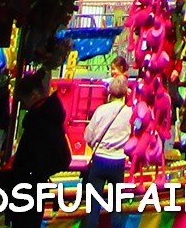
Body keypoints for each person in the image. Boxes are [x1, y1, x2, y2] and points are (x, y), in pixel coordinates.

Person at [7, 72, 71, 228]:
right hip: (35, 188)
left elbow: (30, 160)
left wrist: (20, 173)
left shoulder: (39, 122)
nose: (23, 105)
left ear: (34, 96)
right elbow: (63, 159)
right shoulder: (51, 118)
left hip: (27, 188)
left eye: (23, 100)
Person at [83, 63, 133, 226]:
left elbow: (88, 135)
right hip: (118, 161)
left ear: (110, 93)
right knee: (116, 206)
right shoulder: (130, 113)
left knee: (93, 205)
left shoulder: (101, 110)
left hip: (100, 159)